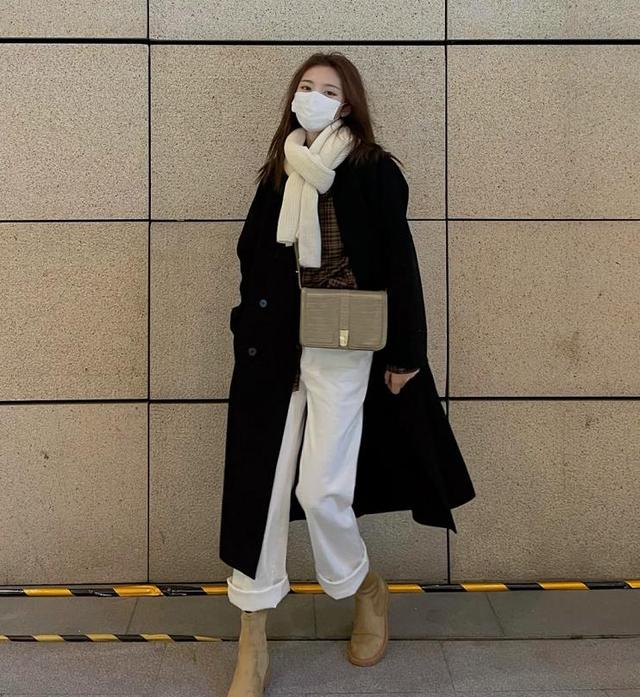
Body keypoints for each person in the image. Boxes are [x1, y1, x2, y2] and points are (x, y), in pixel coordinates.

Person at [221, 51, 476, 697]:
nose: (314, 96)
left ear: (349, 103)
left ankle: (364, 587)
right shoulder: (279, 167)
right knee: (261, 494)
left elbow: (399, 261)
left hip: (343, 345)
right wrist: (244, 323)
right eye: (306, 86)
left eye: (329, 90)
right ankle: (252, 637)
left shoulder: (372, 169)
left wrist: (405, 355)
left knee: (322, 490)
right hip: (273, 349)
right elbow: (253, 255)